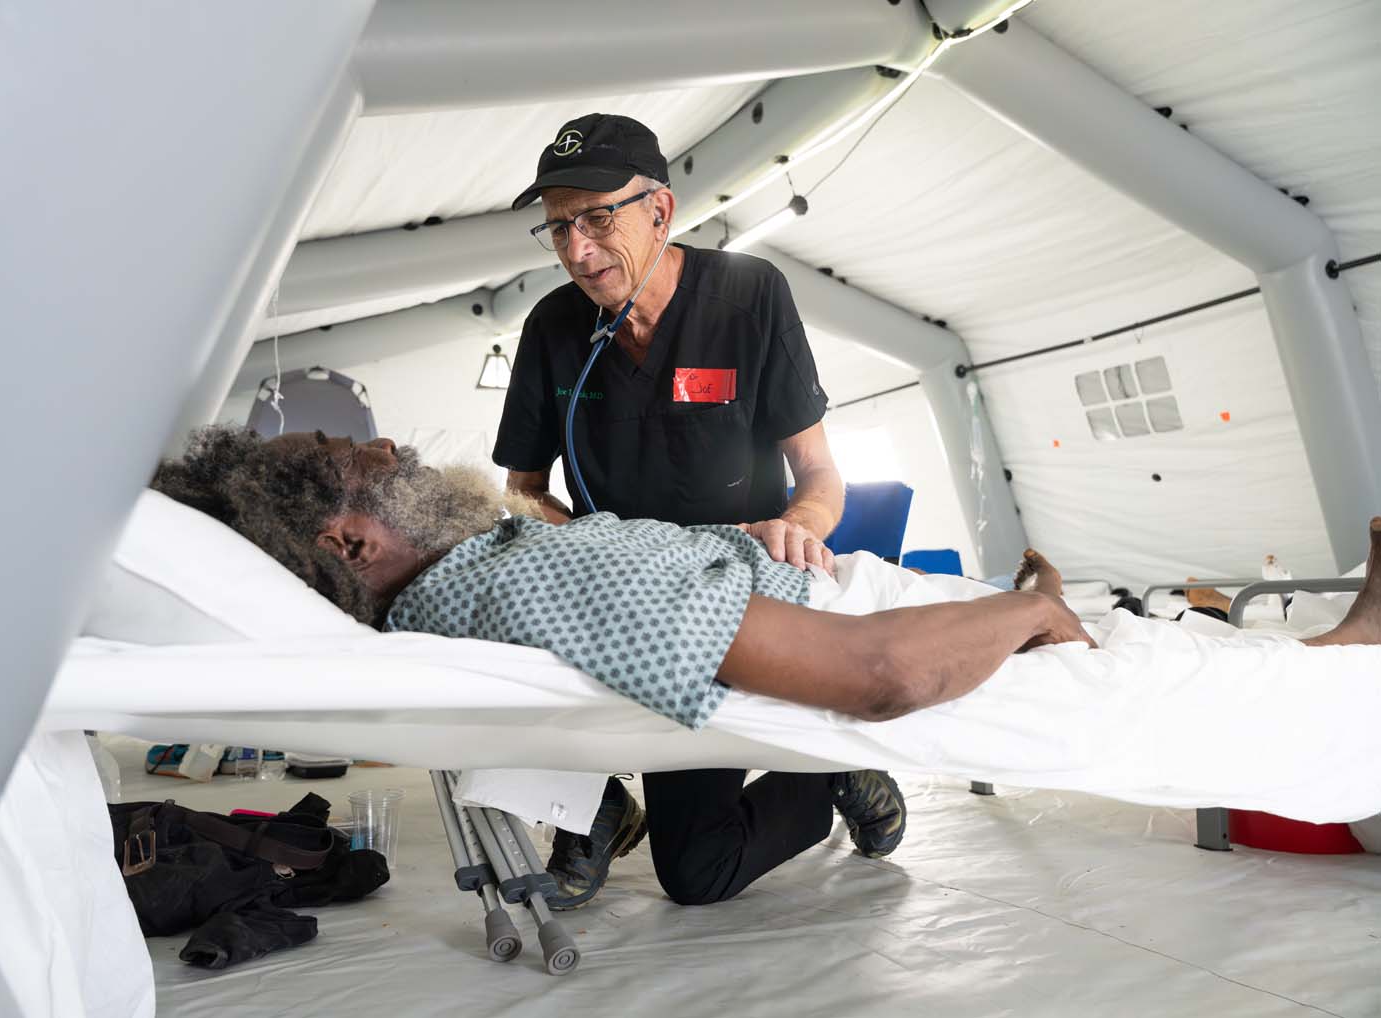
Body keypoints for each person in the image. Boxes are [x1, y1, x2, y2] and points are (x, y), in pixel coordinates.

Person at [149, 428, 1381, 895]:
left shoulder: (487, 574)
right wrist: (1021, 611)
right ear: (351, 540)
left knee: (1204, 663)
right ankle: (1358, 656)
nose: (395, 448)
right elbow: (880, 675)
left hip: (821, 593)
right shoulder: (522, 581)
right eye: (364, 459)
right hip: (889, 636)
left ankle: (1344, 643)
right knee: (1190, 686)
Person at [491, 112, 876, 908]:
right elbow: (523, 490)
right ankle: (595, 805)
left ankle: (830, 767)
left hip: (733, 596)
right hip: (621, 586)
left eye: (597, 219)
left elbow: (818, 473)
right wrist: (591, 547)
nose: (576, 250)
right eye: (558, 227)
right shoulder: (553, 326)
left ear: (660, 211)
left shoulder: (747, 296)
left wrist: (797, 530)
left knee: (697, 875)